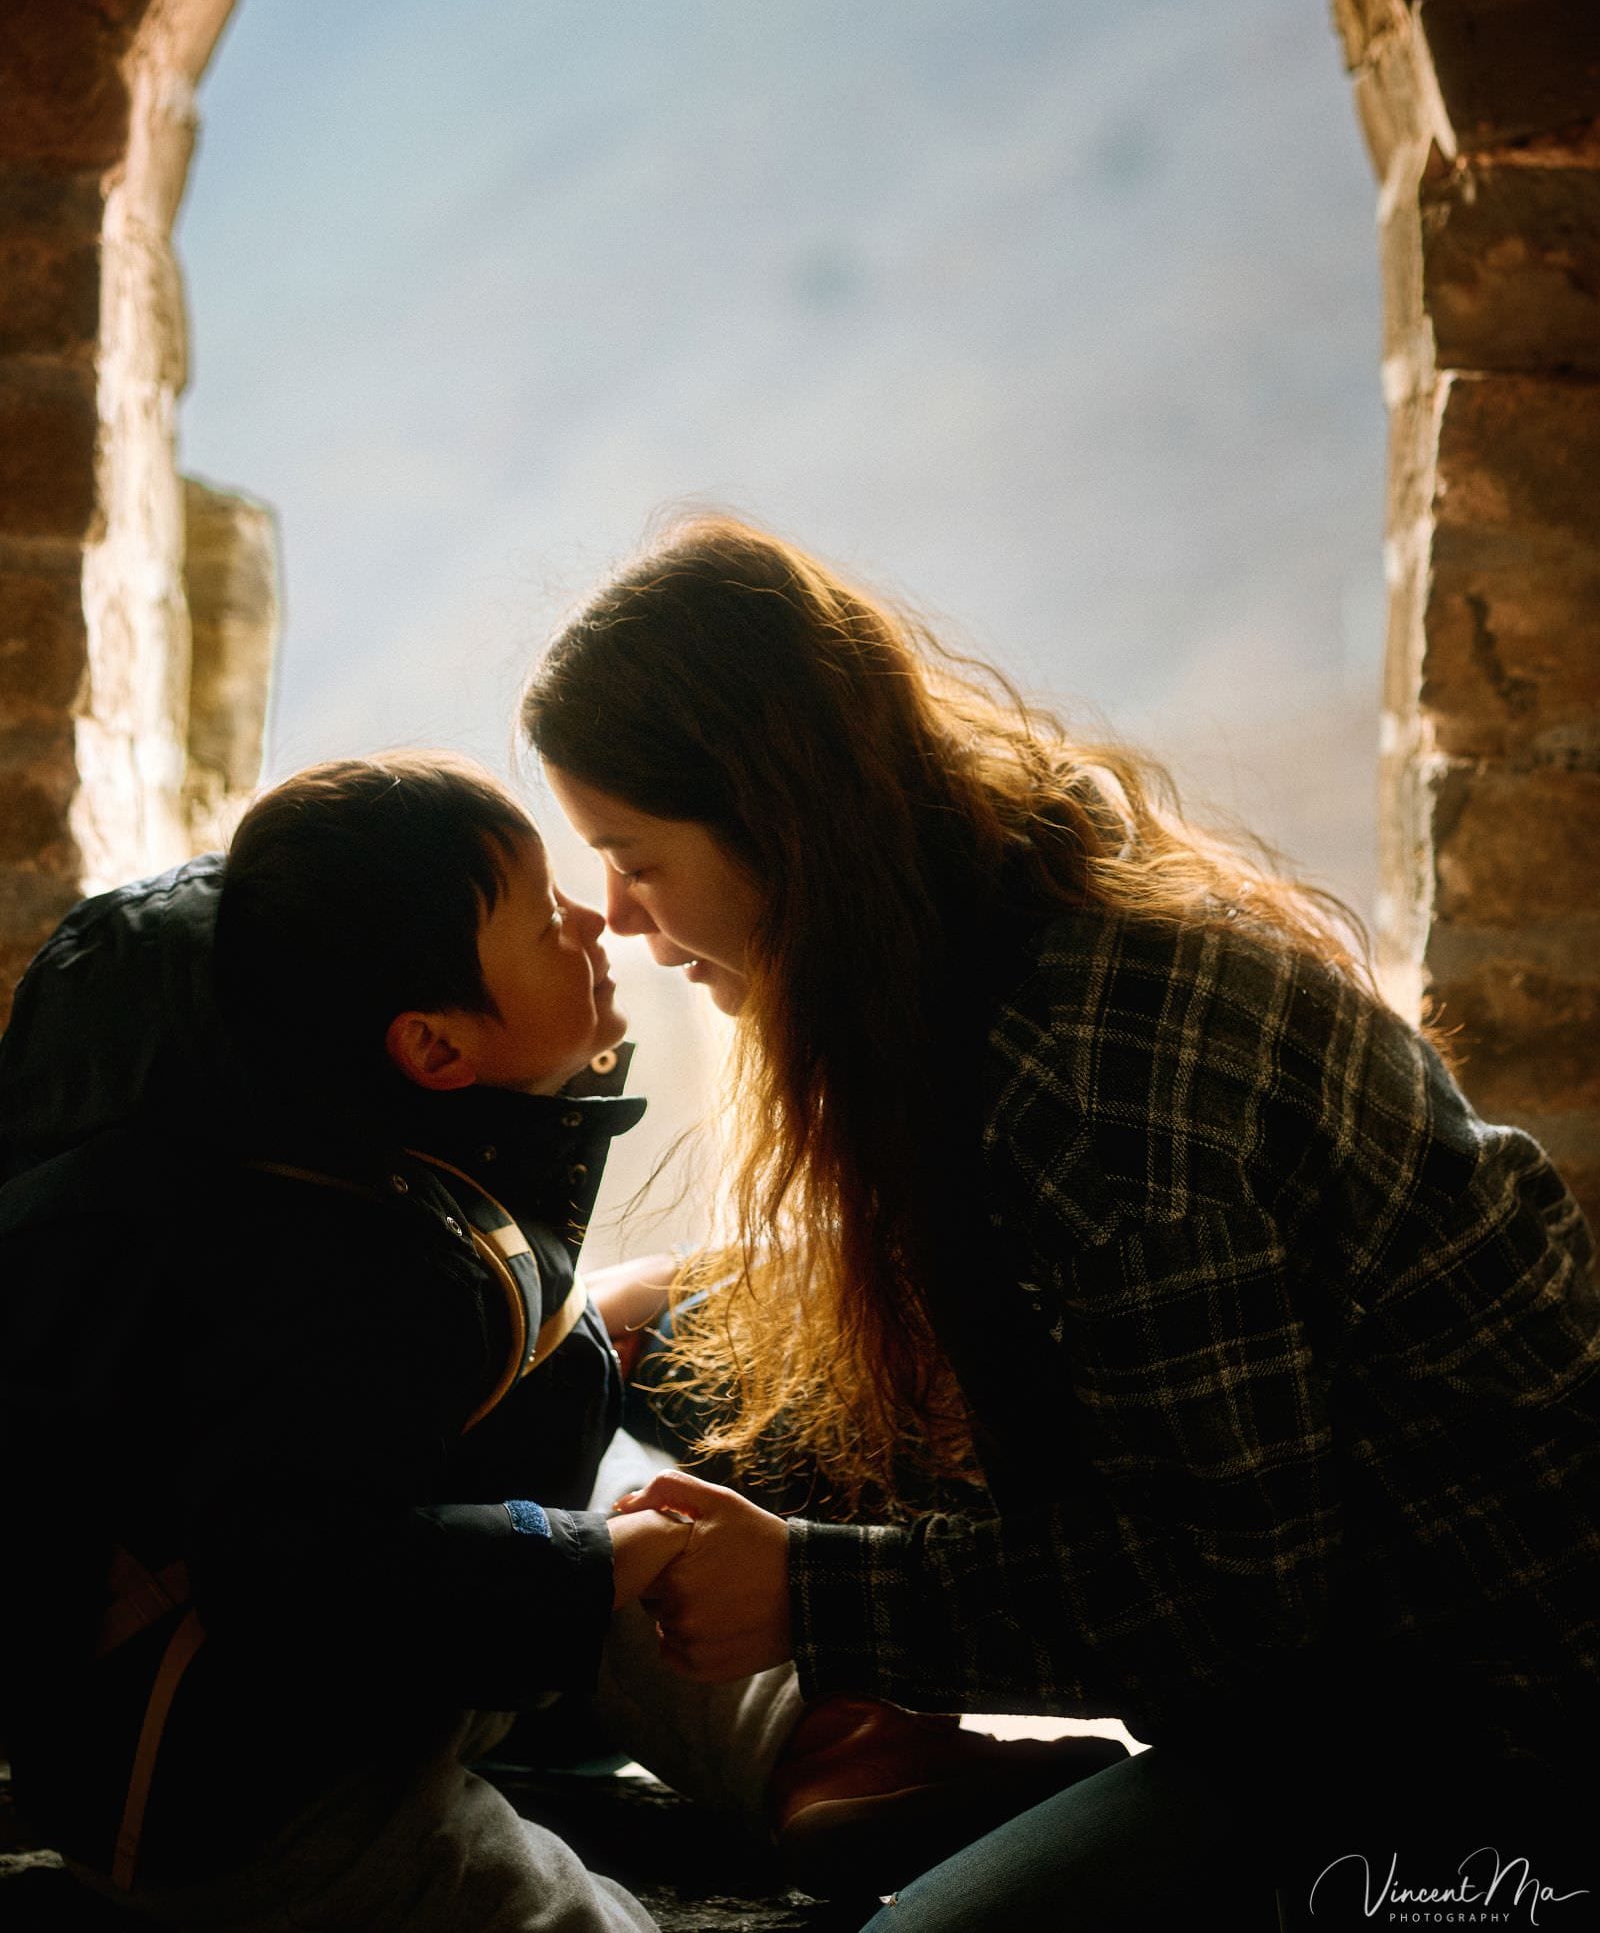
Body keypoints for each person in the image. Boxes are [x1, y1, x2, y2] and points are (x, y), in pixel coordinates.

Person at [521, 516, 1600, 1930]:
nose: (629, 921)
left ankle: (891, 1755)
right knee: (635, 1346)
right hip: (1323, 1634)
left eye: (636, 856)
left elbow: (1241, 1603)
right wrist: (657, 1295)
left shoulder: (1100, 1079)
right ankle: (847, 1747)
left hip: (1457, 1751)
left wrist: (815, 1594)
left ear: (778, 818)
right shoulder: (990, 929)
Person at [0, 752, 693, 1933]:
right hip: (248, 1801)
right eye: (540, 921)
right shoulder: (334, 1261)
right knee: (555, 1907)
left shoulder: (404, 1166)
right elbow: (296, 1573)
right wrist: (575, 1565)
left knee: (663, 1545)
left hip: (356, 1694)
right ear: (432, 1049)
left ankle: (820, 1751)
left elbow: (469, 1368)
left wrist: (614, 1331)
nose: (590, 914)